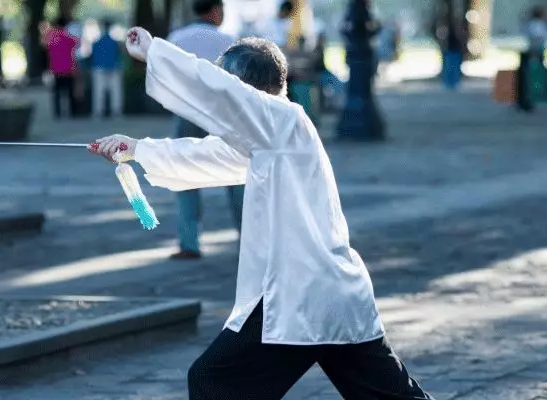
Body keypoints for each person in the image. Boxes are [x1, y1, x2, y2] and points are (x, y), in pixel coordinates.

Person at [91, 27, 434, 400]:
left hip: (298, 293)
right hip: (331, 294)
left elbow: (218, 91)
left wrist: (154, 52)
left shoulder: (279, 121)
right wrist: (137, 149)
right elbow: (207, 156)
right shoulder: (272, 136)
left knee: (214, 381)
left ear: (248, 91)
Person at [161, 0, 242, 260]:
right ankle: (249, 239)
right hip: (222, 116)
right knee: (236, 177)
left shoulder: (176, 38)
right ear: (216, 11)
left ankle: (189, 242)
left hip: (187, 112)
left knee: (186, 177)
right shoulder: (229, 41)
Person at [516, 6, 547, 112]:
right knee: (533, 77)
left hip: (534, 52)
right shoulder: (537, 25)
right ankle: (531, 98)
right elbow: (537, 38)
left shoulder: (532, 24)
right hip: (535, 53)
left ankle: (530, 99)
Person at [44, 17, 80, 119]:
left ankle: (57, 112)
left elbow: (47, 49)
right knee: (70, 92)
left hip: (56, 70)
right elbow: (77, 43)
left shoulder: (51, 38)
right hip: (68, 69)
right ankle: (72, 112)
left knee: (56, 93)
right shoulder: (68, 37)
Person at [90, 20, 124, 118]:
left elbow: (93, 56)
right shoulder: (115, 42)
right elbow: (118, 55)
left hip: (99, 67)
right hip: (113, 68)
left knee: (98, 91)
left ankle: (98, 111)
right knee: (116, 91)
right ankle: (116, 110)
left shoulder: (96, 42)